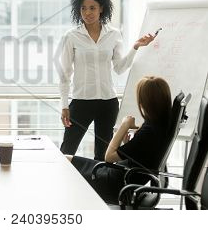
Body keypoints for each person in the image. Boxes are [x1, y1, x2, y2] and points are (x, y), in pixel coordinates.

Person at [57, 0, 155, 160]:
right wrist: (64, 105)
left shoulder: (114, 34)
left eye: (92, 8)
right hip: (81, 102)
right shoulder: (71, 36)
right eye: (83, 8)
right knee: (67, 149)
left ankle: (99, 187)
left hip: (107, 103)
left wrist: (136, 47)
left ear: (101, 8)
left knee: (103, 156)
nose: (87, 12)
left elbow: (119, 67)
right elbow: (65, 73)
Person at [66, 76, 173, 204]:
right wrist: (127, 145)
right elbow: (144, 154)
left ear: (145, 102)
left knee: (64, 165)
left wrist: (124, 125)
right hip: (118, 175)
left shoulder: (148, 131)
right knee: (65, 160)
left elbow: (109, 157)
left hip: (114, 184)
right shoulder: (159, 124)